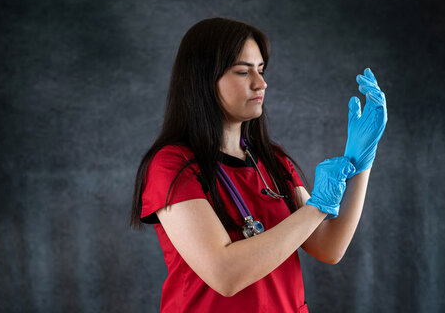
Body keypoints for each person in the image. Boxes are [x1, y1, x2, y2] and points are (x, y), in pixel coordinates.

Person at [130, 17, 388, 313]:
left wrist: (360, 161)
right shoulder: (172, 165)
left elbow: (329, 246)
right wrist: (316, 207)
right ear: (202, 79)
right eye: (243, 71)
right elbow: (225, 274)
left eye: (261, 70)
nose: (260, 83)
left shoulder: (272, 160)